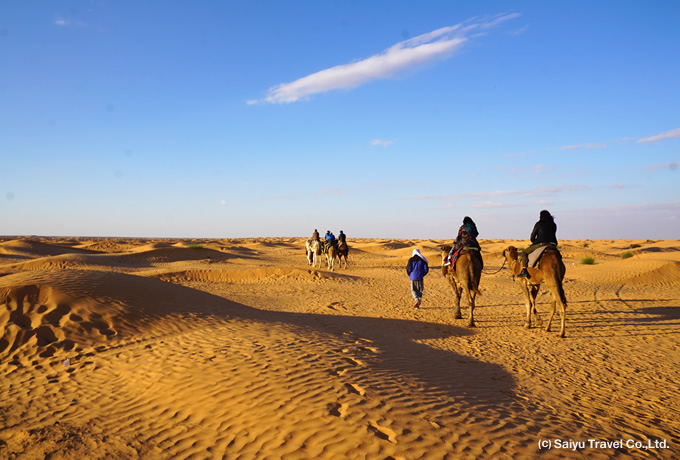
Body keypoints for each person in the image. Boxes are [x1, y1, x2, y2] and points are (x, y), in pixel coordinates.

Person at [517, 210, 558, 278]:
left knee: (524, 252)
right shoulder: (553, 224)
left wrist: (534, 241)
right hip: (552, 244)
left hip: (541, 244)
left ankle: (524, 270)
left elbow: (532, 236)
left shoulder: (539, 224)